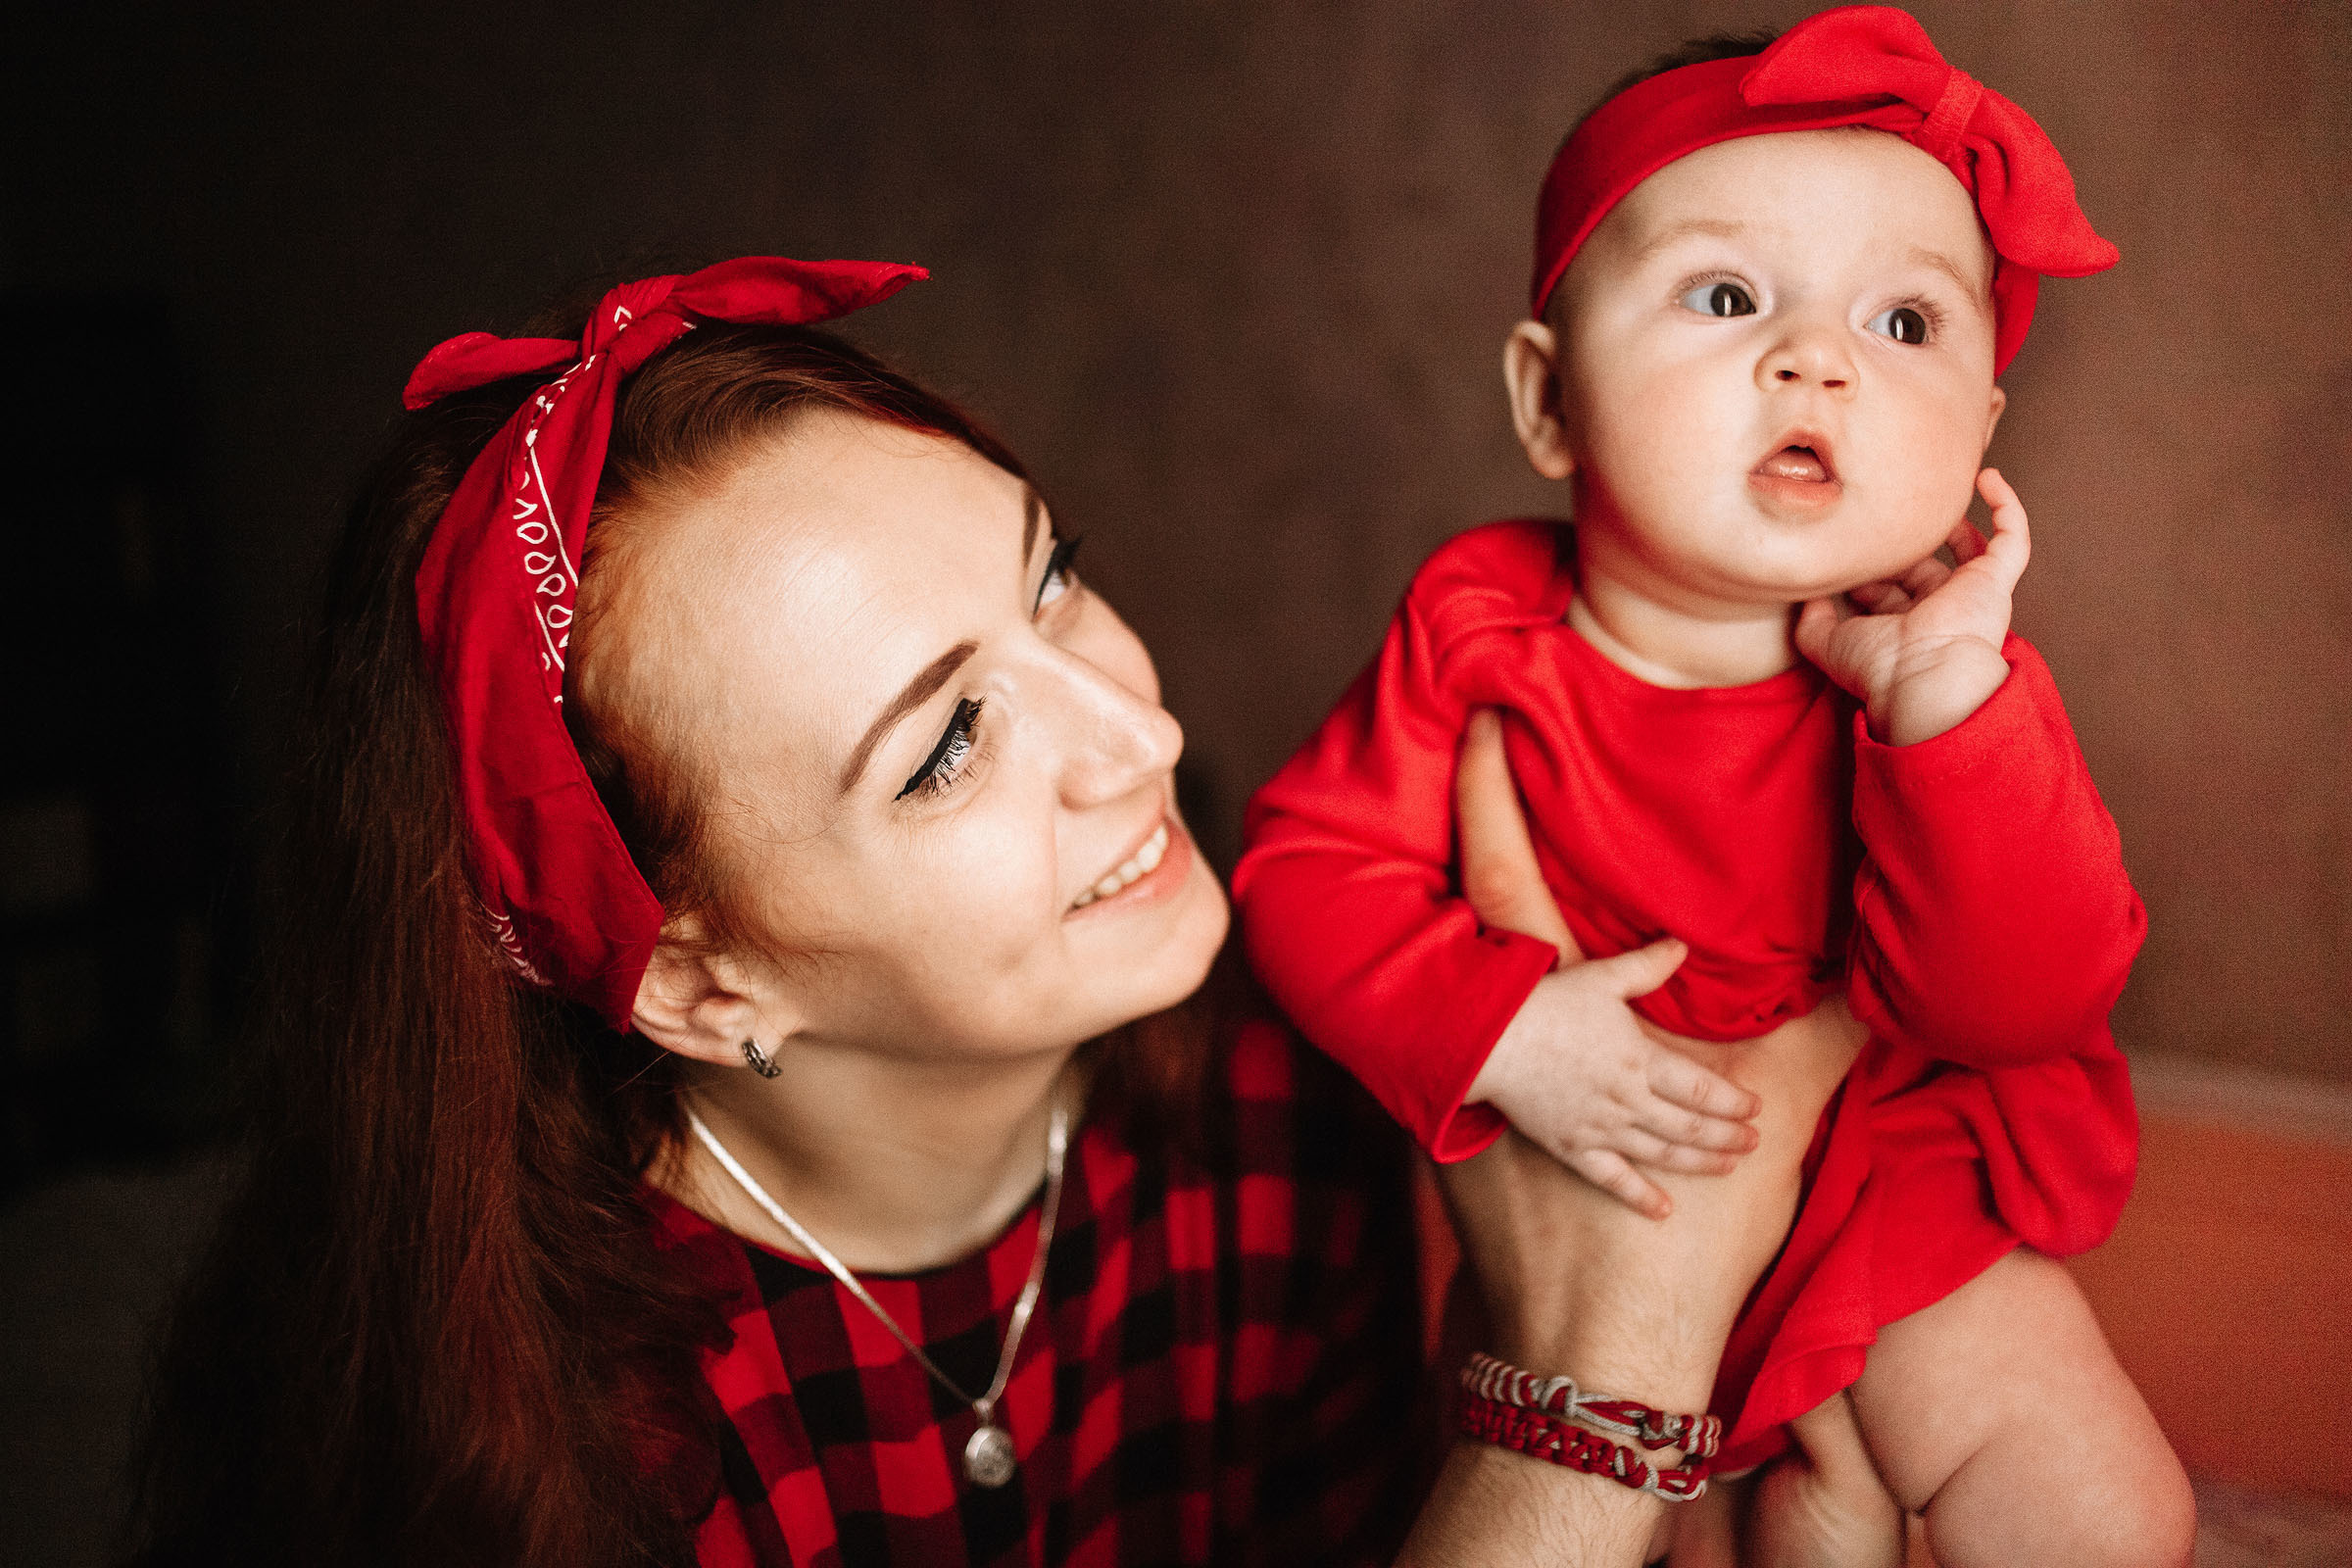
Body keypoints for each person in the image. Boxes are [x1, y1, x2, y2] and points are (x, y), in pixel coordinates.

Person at [127, 256, 1857, 1568]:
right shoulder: (561, 1447)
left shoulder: (1276, 1111)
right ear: (695, 979)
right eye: (948, 744)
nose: (1144, 740)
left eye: (1056, 580)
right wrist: (1595, 1389)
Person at [1233, 8, 2195, 1565]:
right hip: (1596, 1180)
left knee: (2102, 1508)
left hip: (1891, 1183)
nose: (1817, 358)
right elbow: (1303, 871)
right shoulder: (1477, 622)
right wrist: (1503, 1031)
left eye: (1904, 323)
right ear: (1549, 401)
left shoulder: (1942, 680)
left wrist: (1944, 706)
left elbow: (2022, 1004)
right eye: (1730, 296)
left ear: (1977, 439)